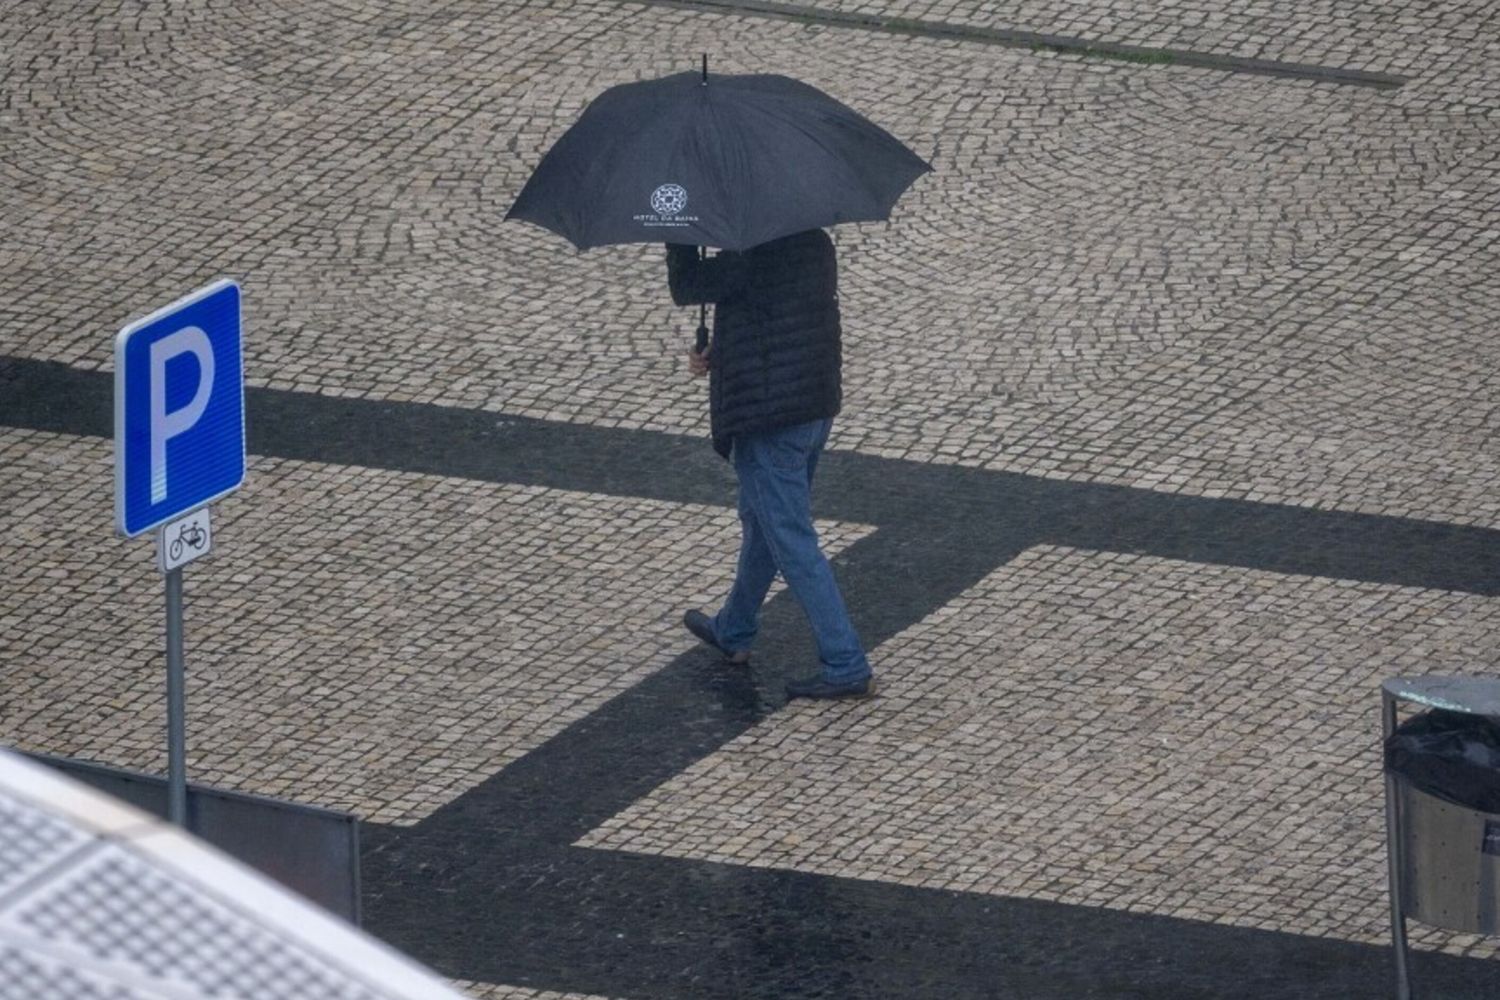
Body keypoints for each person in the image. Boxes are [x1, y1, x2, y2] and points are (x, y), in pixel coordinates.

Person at [666, 230, 873, 700]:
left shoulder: (748, 254)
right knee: (763, 525)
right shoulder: (815, 243)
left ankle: (845, 661)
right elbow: (778, 324)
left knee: (790, 537)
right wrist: (720, 353)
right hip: (812, 406)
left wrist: (677, 236)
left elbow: (688, 286)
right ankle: (734, 629)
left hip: (770, 418)